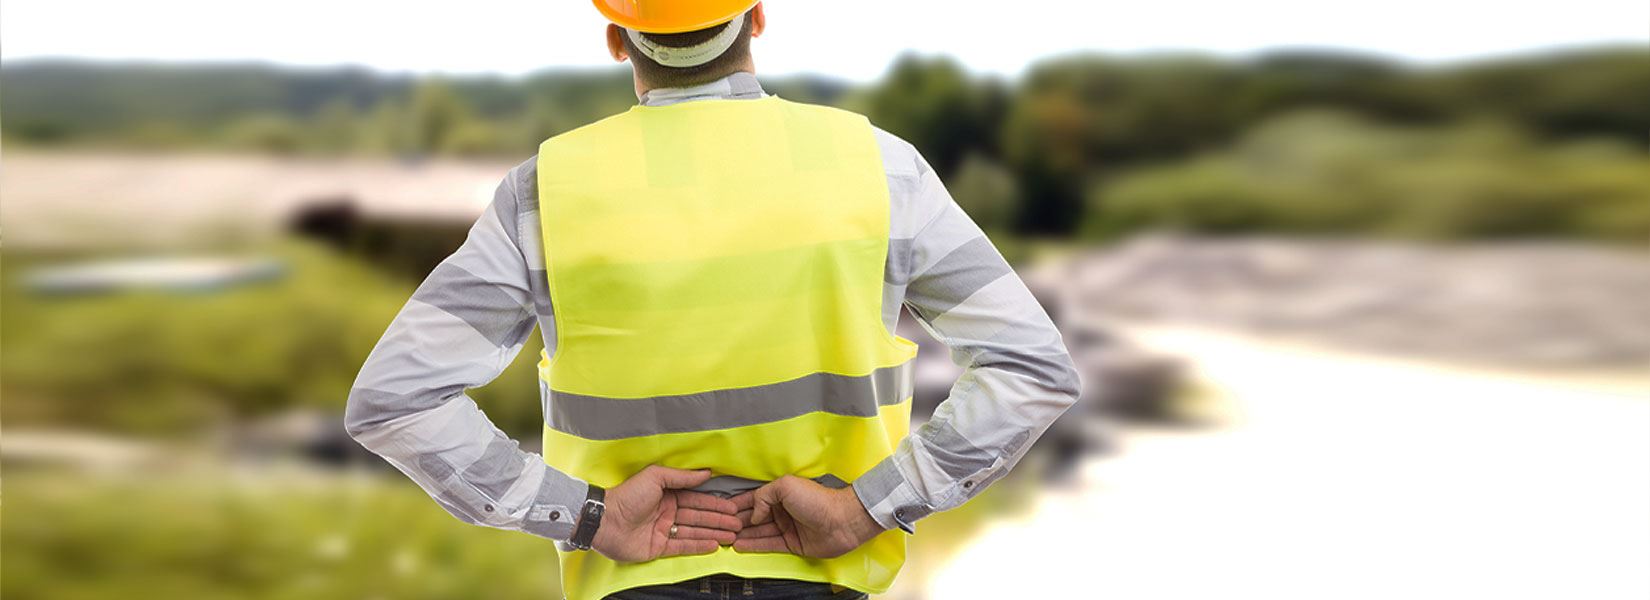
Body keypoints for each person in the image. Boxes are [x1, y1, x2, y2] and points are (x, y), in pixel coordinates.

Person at [344, 2, 1082, 598]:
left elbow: (396, 400)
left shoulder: (545, 191)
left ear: (615, 36)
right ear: (756, 19)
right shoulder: (881, 169)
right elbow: (1032, 370)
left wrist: (583, 514)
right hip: (822, 581)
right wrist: (868, 509)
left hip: (632, 581)